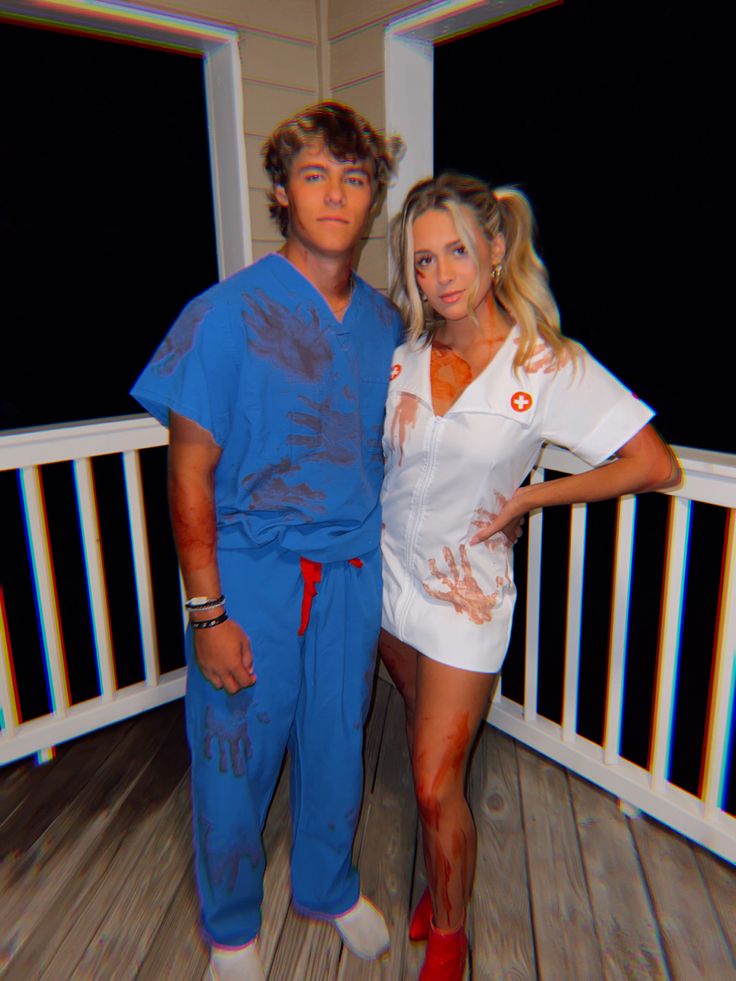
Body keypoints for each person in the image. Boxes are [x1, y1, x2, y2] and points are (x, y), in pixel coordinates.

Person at [379, 173, 679, 980]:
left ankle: (450, 928)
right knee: (423, 751)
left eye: (456, 253)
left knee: (437, 782)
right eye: (423, 260)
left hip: (465, 600)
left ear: (496, 249)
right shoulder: (404, 355)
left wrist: (538, 492)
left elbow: (652, 464)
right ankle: (446, 873)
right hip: (388, 582)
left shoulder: (545, 366)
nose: (440, 276)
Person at [131, 102, 403, 981]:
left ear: (372, 201)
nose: (336, 194)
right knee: (234, 750)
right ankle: (234, 926)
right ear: (281, 194)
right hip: (251, 571)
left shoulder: (385, 324)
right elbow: (187, 472)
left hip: (353, 567)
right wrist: (207, 609)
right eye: (314, 175)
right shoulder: (223, 315)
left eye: (354, 178)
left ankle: (326, 883)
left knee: (338, 732)